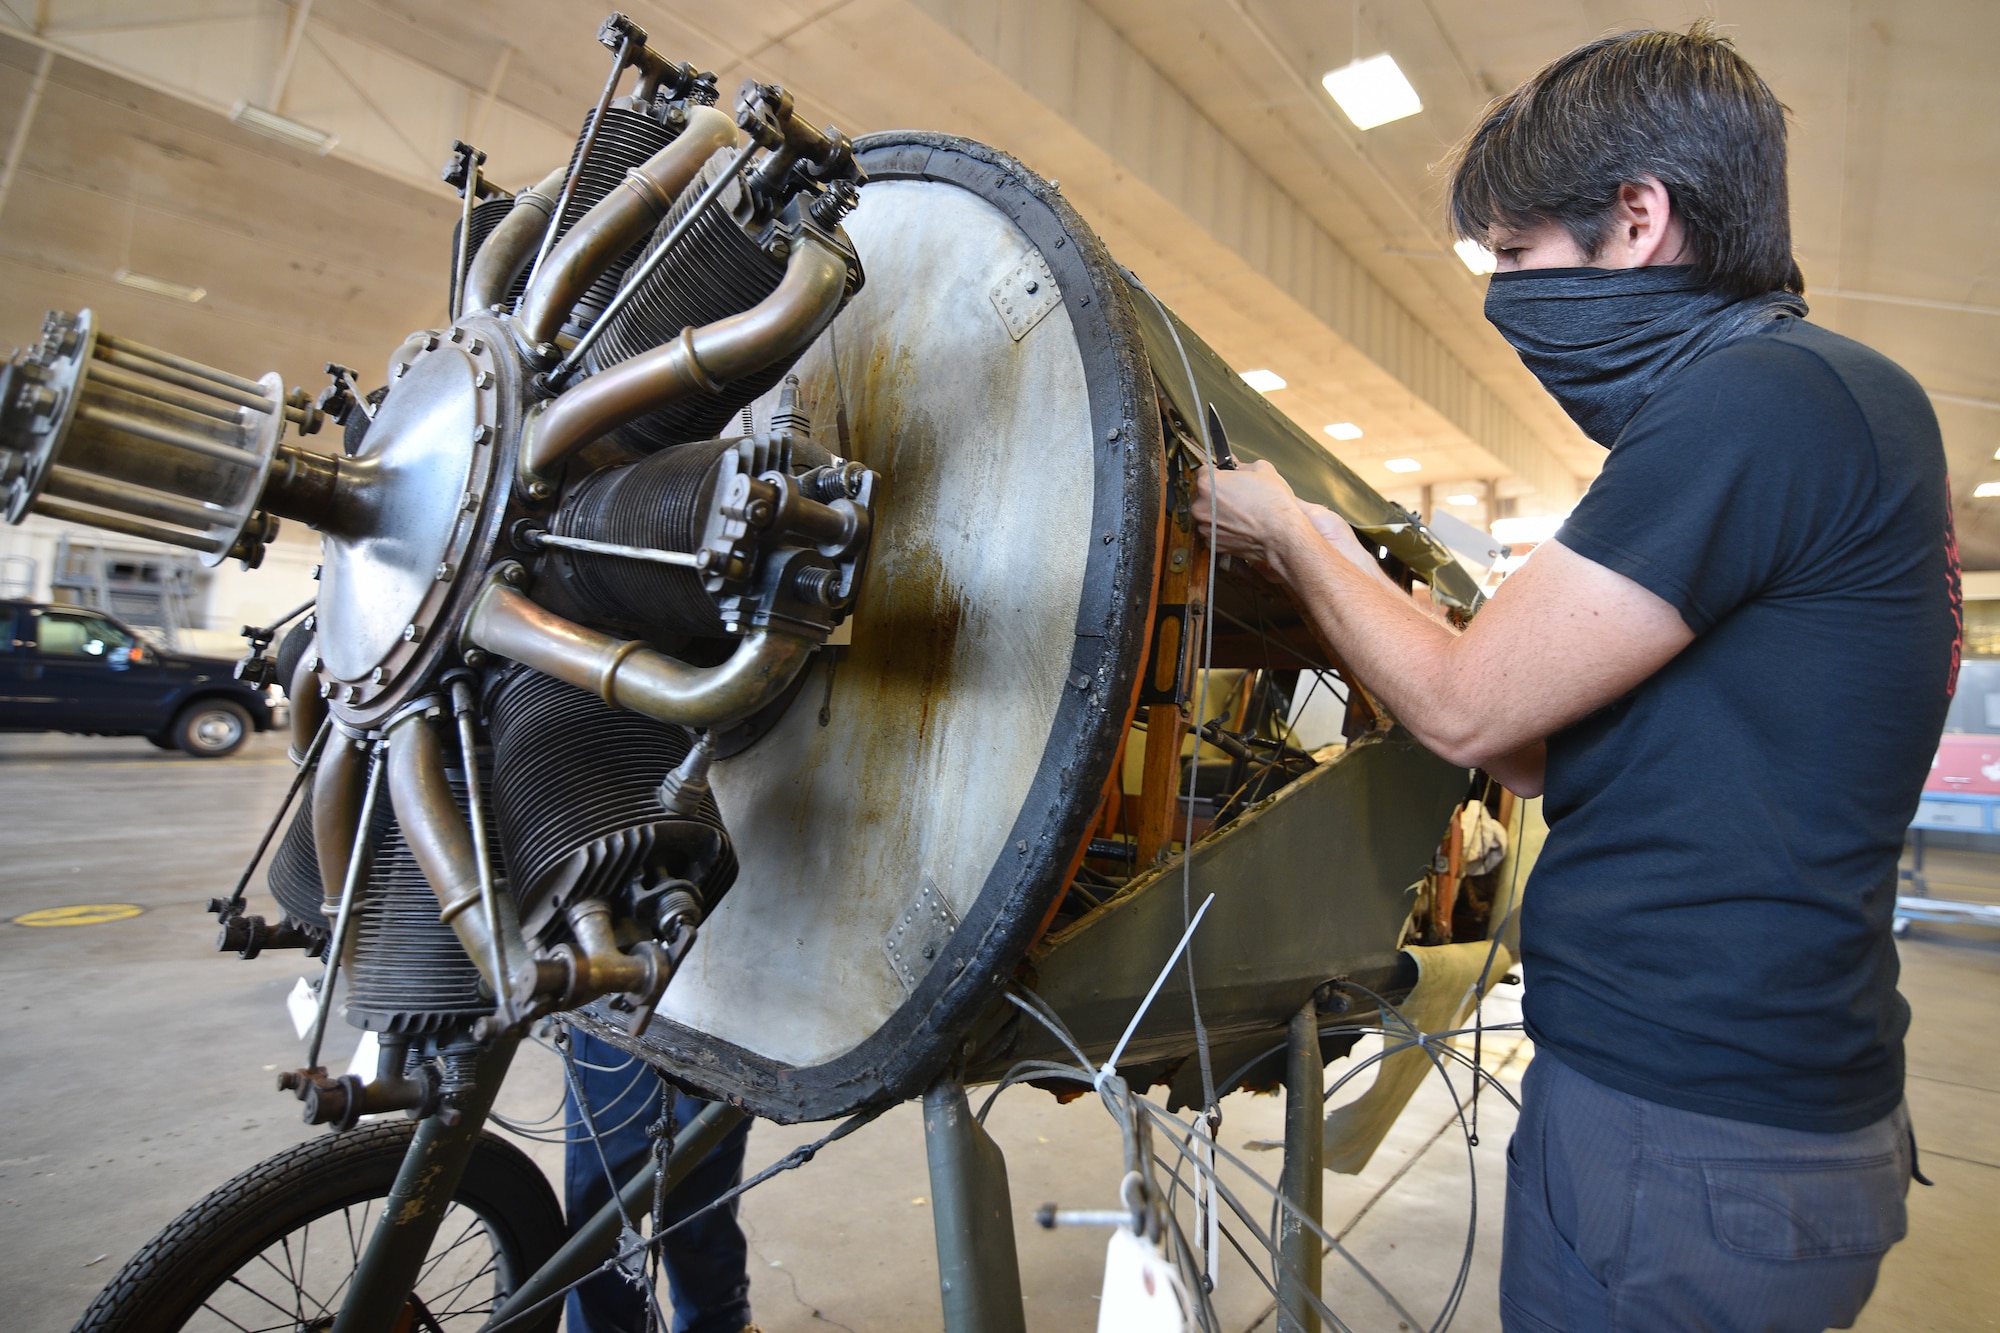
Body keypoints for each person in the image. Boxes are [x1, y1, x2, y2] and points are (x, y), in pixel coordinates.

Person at [1194, 23, 1955, 1333]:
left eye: (1518, 258)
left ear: (1639, 217)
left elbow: (1470, 706)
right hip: (1723, 1115)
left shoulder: (1762, 398)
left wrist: (1298, 537)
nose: (1505, 299)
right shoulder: (1825, 406)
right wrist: (1405, 618)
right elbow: (1542, 752)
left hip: (1691, 1139)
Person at [563, 1028, 759, 1333]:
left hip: (724, 1000)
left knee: (703, 1160)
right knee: (606, 1184)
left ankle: (717, 1322)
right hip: (612, 1000)